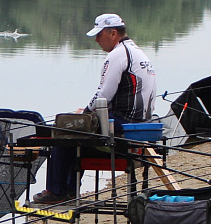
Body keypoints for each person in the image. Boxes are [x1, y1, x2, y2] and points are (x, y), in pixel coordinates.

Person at [32, 14, 157, 204]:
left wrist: (84, 115)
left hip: (123, 125)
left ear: (113, 33)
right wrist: (89, 114)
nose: (97, 40)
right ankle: (70, 191)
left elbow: (103, 95)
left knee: (63, 133)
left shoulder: (117, 55)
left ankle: (57, 192)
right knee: (78, 129)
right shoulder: (137, 52)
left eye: (100, 35)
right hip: (139, 123)